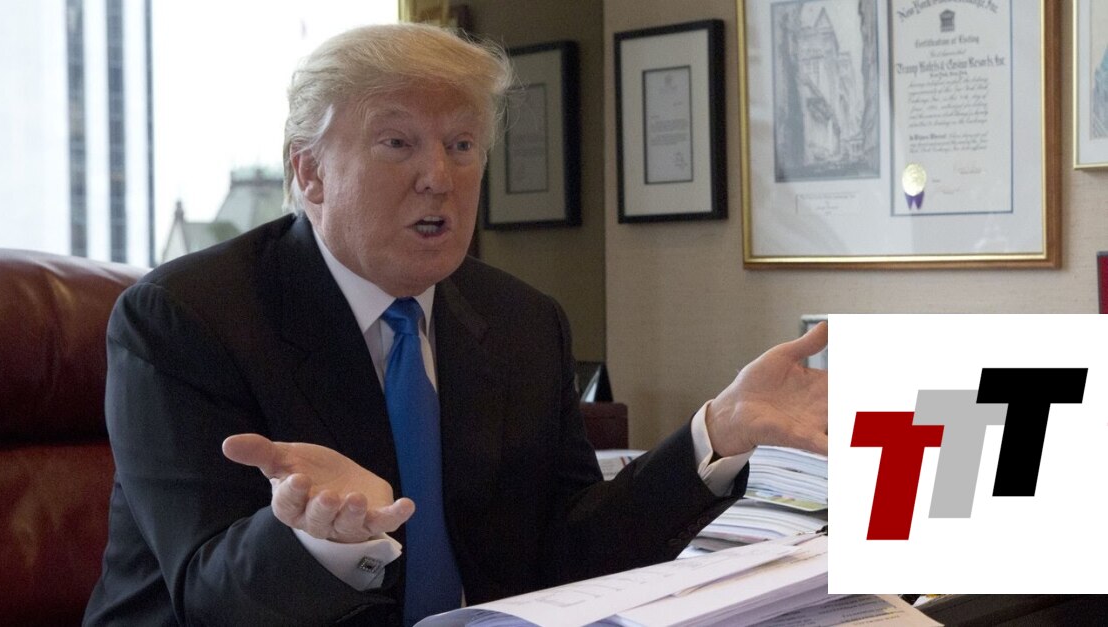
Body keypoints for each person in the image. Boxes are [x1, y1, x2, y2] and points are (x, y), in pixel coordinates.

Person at [84, 23, 828, 627]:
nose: (439, 176)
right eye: (398, 142)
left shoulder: (521, 321)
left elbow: (572, 553)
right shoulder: (186, 318)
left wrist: (715, 434)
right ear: (309, 173)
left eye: (462, 145)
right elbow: (206, 597)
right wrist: (316, 535)